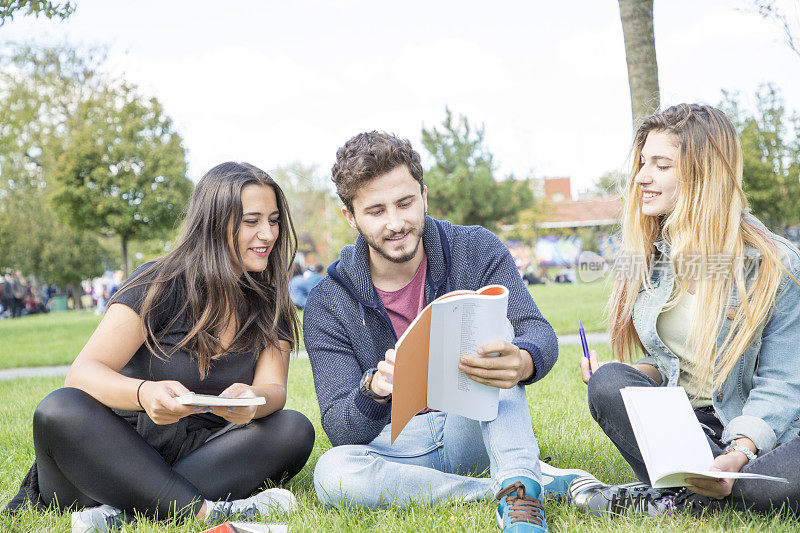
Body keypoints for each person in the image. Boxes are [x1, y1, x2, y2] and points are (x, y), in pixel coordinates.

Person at [3, 162, 315, 532]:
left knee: (293, 428)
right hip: (113, 455)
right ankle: (205, 513)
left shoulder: (268, 299)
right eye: (252, 221)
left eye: (274, 220)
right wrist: (144, 393)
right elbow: (83, 372)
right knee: (59, 408)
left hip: (201, 450)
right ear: (214, 224)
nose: (268, 234)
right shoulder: (159, 281)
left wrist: (254, 399)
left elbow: (274, 389)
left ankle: (123, 512)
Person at [304, 132, 588, 533]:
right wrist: (374, 389)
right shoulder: (328, 300)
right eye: (376, 211)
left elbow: (536, 331)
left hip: (472, 422)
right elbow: (340, 427)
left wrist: (522, 360)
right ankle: (513, 485)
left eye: (405, 203)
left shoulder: (475, 248)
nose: (396, 223)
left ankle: (521, 506)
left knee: (497, 335)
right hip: (396, 444)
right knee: (333, 474)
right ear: (351, 216)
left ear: (424, 195)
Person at [567, 104, 800, 517]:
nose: (641, 177)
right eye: (642, 163)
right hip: (698, 425)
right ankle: (706, 490)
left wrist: (740, 452)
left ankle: (668, 496)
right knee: (608, 383)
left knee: (781, 482)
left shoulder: (774, 265)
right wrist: (638, 375)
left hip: (766, 431)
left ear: (702, 175)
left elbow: (782, 382)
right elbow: (676, 365)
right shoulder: (652, 259)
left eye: (660, 165)